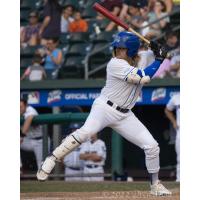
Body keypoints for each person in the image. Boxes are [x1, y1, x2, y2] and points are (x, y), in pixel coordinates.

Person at [37, 31, 171, 196]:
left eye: (122, 49)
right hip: (104, 108)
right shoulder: (115, 64)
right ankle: (52, 158)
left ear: (131, 50)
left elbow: (157, 53)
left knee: (152, 146)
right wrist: (159, 59)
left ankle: (155, 185)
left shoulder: (142, 56)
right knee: (86, 132)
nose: (118, 51)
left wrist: (157, 48)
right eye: (117, 48)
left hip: (125, 115)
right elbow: (144, 77)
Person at [20, 98, 43, 170]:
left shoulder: (31, 110)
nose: (19, 109)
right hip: (29, 141)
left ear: (26, 105)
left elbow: (29, 119)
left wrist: (21, 136)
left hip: (40, 141)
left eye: (21, 107)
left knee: (41, 165)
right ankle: (19, 167)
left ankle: (44, 180)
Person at [165, 92, 180, 182]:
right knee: (181, 157)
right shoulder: (177, 97)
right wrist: (174, 122)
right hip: (181, 131)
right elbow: (167, 110)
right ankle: (180, 180)